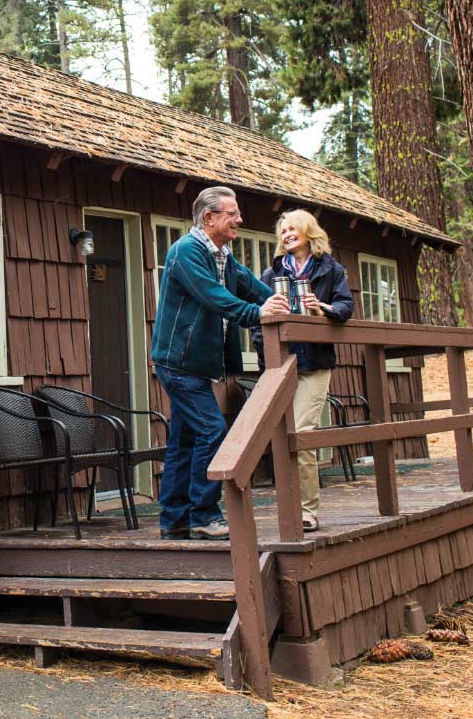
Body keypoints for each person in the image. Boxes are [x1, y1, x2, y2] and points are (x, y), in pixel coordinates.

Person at [150, 187, 291, 540]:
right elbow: (215, 298)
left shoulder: (223, 255)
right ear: (209, 217)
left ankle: (174, 520)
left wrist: (286, 304)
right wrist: (259, 314)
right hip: (178, 363)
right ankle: (204, 514)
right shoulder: (186, 251)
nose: (239, 220)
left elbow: (251, 286)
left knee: (184, 441)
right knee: (212, 431)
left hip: (195, 365)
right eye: (232, 214)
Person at [251, 208, 355, 533]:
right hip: (281, 364)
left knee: (303, 433)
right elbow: (258, 319)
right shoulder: (271, 274)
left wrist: (323, 309)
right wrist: (265, 356)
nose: (286, 234)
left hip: (315, 364)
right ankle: (289, 507)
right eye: (283, 231)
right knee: (283, 436)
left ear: (308, 231)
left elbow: (345, 306)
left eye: (292, 228)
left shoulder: (330, 269)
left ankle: (307, 510)